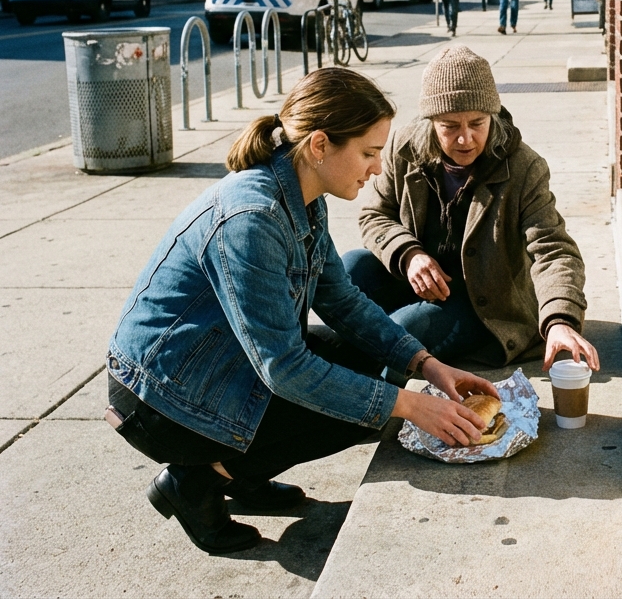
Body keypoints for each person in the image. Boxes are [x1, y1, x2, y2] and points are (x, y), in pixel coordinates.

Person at [105, 67, 498, 555]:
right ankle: (195, 481)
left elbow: (343, 299)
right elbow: (285, 368)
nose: (378, 168)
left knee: (370, 368)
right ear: (319, 145)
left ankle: (239, 473)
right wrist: (412, 406)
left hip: (217, 364)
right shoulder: (252, 219)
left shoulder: (303, 194)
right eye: (369, 153)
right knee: (366, 408)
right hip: (162, 397)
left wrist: (427, 366)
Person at [346, 45, 600, 374]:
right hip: (419, 281)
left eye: (477, 123)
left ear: (492, 115)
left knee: (403, 331)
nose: (465, 138)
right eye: (450, 126)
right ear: (431, 122)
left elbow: (553, 250)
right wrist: (409, 254)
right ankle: (335, 368)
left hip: (481, 306)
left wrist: (560, 321)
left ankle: (375, 411)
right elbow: (374, 216)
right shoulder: (403, 149)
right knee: (351, 270)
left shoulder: (524, 168)